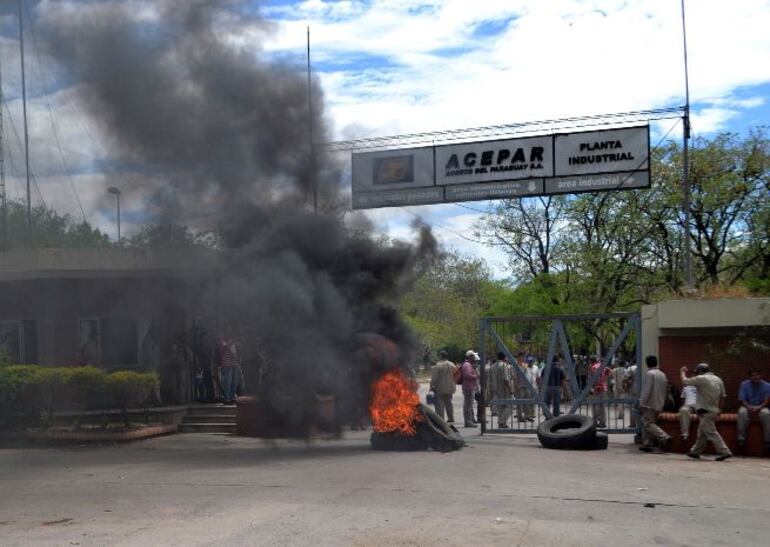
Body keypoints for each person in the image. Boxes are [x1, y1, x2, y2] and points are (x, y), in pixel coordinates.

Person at [681, 363, 732, 461]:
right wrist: (720, 410)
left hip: (705, 411)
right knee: (702, 433)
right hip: (713, 410)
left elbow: (685, 382)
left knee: (711, 432)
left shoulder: (701, 378)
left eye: (697, 372)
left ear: (700, 371)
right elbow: (723, 396)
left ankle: (725, 451)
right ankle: (695, 451)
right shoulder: (718, 379)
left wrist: (682, 372)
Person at [638, 355, 673, 453]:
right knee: (650, 423)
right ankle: (647, 443)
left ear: (647, 363)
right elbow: (666, 389)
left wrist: (641, 402)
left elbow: (647, 390)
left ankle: (665, 437)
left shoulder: (650, 374)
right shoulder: (662, 374)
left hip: (649, 403)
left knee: (648, 423)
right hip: (659, 403)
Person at [736, 369, 770, 454]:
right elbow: (742, 399)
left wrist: (759, 407)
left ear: (760, 376)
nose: (755, 377)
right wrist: (749, 407)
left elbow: (767, 400)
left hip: (761, 406)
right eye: (753, 375)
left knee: (766, 414)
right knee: (742, 413)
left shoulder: (767, 385)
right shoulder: (744, 384)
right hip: (747, 405)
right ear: (750, 377)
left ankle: (767, 441)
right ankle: (741, 440)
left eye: (757, 375)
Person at [429, 351, 457, 423]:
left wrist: (431, 386)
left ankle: (441, 420)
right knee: (449, 403)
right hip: (450, 388)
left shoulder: (438, 365)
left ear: (441, 356)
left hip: (440, 388)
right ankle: (451, 418)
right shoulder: (452, 364)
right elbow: (456, 375)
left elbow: (434, 377)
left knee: (440, 405)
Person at [489, 352, 514, 427]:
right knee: (510, 406)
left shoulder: (492, 366)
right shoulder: (504, 365)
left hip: (495, 388)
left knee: (500, 407)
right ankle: (502, 421)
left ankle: (502, 423)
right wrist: (510, 389)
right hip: (504, 389)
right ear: (504, 357)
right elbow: (506, 379)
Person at [218, 329, 242, 405]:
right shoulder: (223, 343)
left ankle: (232, 397)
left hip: (235, 364)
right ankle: (226, 398)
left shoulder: (234, 344)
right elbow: (222, 350)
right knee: (227, 382)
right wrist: (230, 345)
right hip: (227, 365)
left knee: (234, 382)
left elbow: (236, 354)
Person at [140, 325, 162, 405]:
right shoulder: (148, 341)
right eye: (155, 331)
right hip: (149, 365)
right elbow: (149, 354)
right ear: (151, 331)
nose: (156, 333)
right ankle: (157, 401)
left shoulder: (152, 340)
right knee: (154, 384)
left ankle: (145, 400)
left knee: (150, 384)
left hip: (151, 365)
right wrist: (154, 363)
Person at [589, 358, 611, 428]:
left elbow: (594, 378)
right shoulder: (605, 367)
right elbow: (609, 374)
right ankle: (603, 423)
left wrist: (595, 386)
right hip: (604, 388)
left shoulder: (594, 367)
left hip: (597, 388)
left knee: (595, 407)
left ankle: (595, 422)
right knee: (602, 406)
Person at [461, 350, 480, 428]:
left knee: (469, 405)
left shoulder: (469, 365)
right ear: (470, 356)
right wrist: (476, 376)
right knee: (468, 406)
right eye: (473, 356)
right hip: (468, 387)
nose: (474, 357)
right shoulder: (467, 365)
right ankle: (468, 422)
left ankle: (470, 420)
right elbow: (467, 375)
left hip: (470, 387)